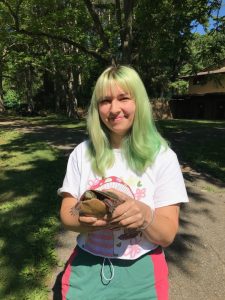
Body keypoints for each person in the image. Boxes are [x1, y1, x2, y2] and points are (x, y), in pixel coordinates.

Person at [58, 65, 189, 300]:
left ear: (138, 102)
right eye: (105, 100)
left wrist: (145, 217)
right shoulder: (82, 153)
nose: (114, 108)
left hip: (142, 274)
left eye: (124, 98)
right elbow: (66, 215)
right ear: (97, 107)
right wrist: (85, 219)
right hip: (86, 268)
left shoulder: (163, 157)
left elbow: (167, 235)